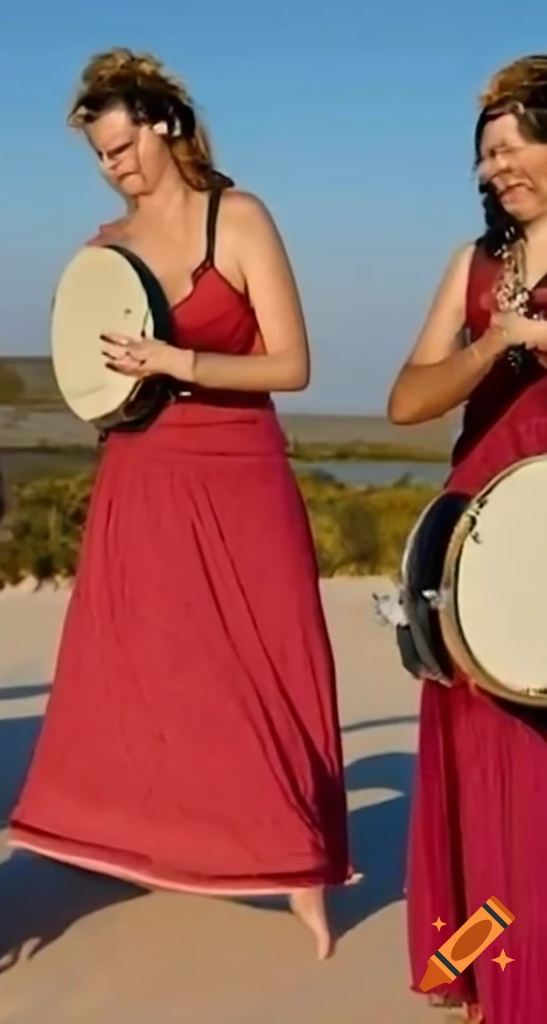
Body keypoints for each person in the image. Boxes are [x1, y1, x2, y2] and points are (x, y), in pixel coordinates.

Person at [8, 48, 353, 959]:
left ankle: (302, 866)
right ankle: (138, 839)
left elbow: (293, 363)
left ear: (162, 126)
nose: (112, 166)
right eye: (98, 155)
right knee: (140, 664)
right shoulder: (101, 249)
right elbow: (90, 374)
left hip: (239, 466)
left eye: (120, 145)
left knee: (268, 660)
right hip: (142, 467)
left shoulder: (235, 218)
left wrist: (180, 363)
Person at [387, 55, 547, 1024]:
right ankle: (495, 973)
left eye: (512, 146)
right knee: (483, 775)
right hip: (477, 548)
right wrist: (495, 341)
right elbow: (406, 400)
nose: (494, 170)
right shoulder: (474, 267)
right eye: (484, 157)